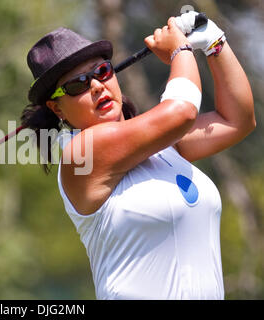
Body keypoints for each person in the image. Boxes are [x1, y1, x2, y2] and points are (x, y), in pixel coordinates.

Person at [21, 12, 255, 299]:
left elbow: (237, 120)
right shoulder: (81, 155)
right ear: (57, 109)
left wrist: (214, 43)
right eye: (77, 85)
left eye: (102, 72)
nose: (96, 85)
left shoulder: (161, 146)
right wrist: (180, 50)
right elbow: (182, 111)